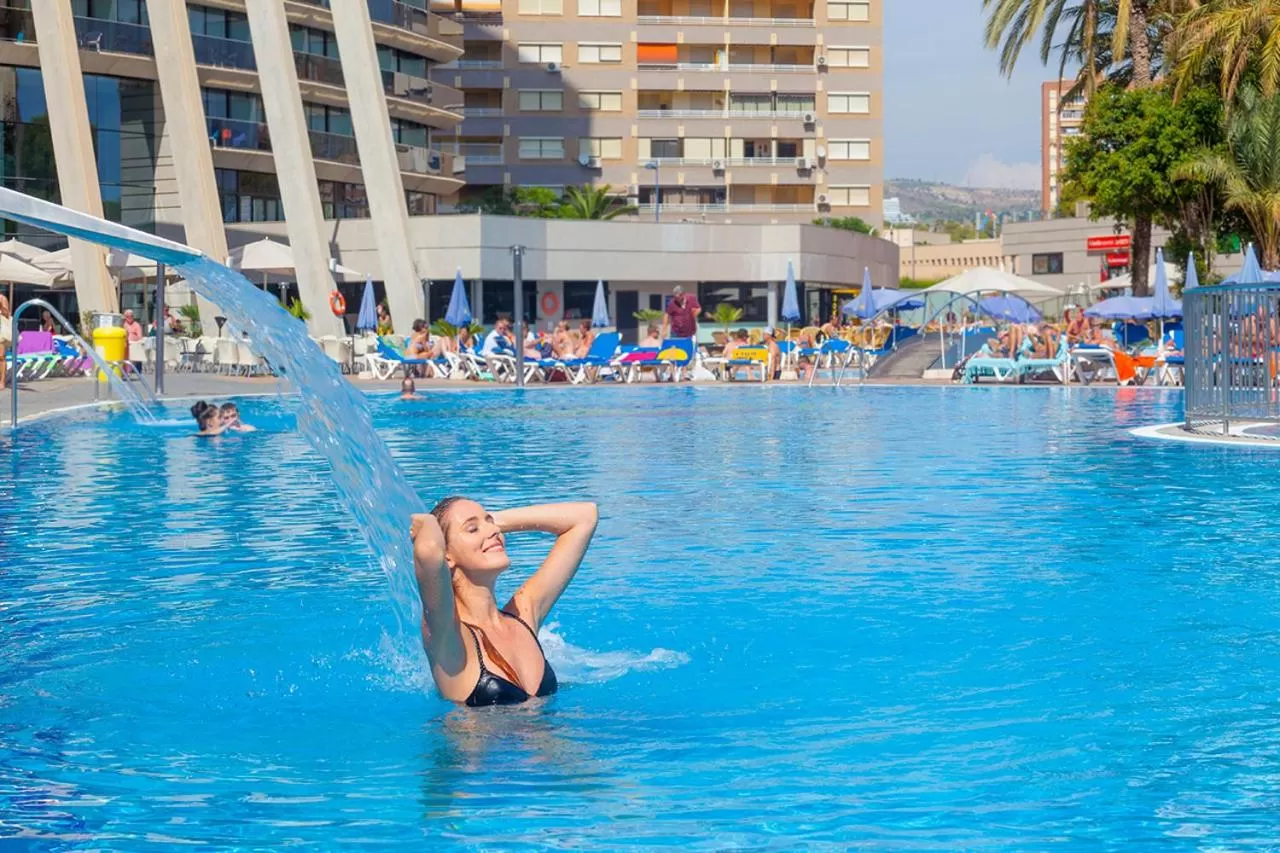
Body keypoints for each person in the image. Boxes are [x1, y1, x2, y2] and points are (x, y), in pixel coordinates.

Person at [410, 498, 598, 706]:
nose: (492, 531)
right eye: (472, 529)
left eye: (490, 522)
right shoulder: (449, 637)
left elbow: (584, 517)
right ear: (447, 557)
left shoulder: (523, 615)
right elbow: (428, 552)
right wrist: (427, 524)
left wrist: (495, 522)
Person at [123, 310, 144, 377]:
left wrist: (132, 335)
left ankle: (133, 370)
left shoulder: (136, 325)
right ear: (125, 317)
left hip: (135, 345)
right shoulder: (124, 324)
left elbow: (140, 337)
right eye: (127, 316)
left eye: (131, 316)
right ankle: (126, 370)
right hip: (126, 345)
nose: (129, 318)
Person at [0, 294, 10, 391]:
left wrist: (1, 307)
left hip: (0, 330)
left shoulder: (2, 298)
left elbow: (7, 314)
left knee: (1, 356)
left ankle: (2, 381)